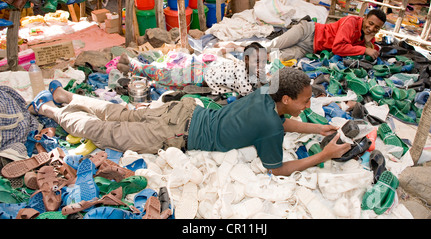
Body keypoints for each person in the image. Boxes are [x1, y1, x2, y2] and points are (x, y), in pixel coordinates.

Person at [28, 68, 350, 176]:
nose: (308, 106)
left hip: (182, 111)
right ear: (286, 100)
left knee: (121, 113)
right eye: (305, 102)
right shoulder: (269, 124)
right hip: (174, 131)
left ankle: (69, 97)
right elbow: (277, 169)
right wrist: (324, 155)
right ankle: (52, 110)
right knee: (106, 132)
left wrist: (318, 128)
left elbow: (283, 124)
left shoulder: (267, 92)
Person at [263, 9, 386, 61]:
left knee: (273, 57)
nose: (371, 28)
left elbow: (373, 53)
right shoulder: (351, 22)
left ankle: (246, 55)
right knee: (272, 45)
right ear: (364, 18)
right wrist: (364, 49)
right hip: (308, 31)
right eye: (370, 23)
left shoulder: (369, 36)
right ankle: (244, 47)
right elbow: (338, 48)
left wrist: (368, 42)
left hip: (310, 48)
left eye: (376, 27)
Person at [204, 42, 269, 96]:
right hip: (210, 75)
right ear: (246, 59)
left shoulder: (252, 69)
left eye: (264, 61)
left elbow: (259, 85)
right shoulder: (240, 74)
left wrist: (262, 79)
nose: (261, 65)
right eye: (257, 61)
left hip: (223, 67)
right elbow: (251, 96)